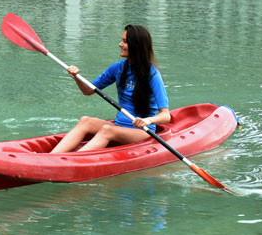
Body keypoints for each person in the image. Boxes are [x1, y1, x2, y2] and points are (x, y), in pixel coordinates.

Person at [49, 24, 171, 153]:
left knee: (107, 130)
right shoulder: (118, 68)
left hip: (142, 132)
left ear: (136, 46)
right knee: (86, 121)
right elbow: (88, 91)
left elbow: (166, 116)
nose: (119, 44)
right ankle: (52, 157)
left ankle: (71, 161)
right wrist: (77, 77)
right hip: (119, 127)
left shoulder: (152, 75)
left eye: (124, 41)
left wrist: (147, 120)